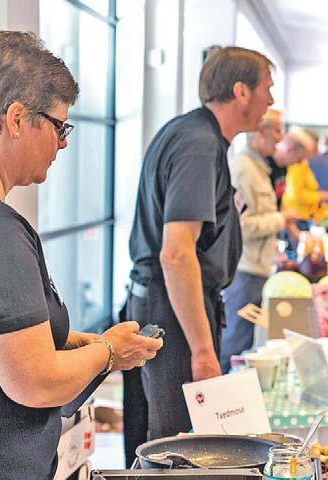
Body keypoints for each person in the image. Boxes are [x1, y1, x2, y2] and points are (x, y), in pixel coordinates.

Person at [0, 31, 162, 479]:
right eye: (59, 126)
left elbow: (1, 341)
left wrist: (75, 344)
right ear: (17, 119)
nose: (63, 144)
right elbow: (33, 381)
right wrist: (108, 351)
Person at [123, 45, 274, 465]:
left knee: (162, 438)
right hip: (170, 306)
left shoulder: (196, 135)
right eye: (267, 88)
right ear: (241, 91)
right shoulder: (199, 144)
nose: (271, 100)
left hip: (166, 301)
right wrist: (203, 351)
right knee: (177, 447)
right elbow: (176, 254)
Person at [220, 109, 298, 372]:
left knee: (242, 343)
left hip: (257, 269)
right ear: (259, 131)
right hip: (244, 271)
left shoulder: (258, 168)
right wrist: (282, 219)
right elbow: (242, 225)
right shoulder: (243, 168)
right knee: (233, 345)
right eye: (277, 130)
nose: (280, 138)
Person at [279, 127, 328, 229]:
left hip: (303, 216)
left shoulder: (303, 163)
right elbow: (297, 195)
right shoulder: (296, 165)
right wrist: (319, 196)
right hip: (296, 217)